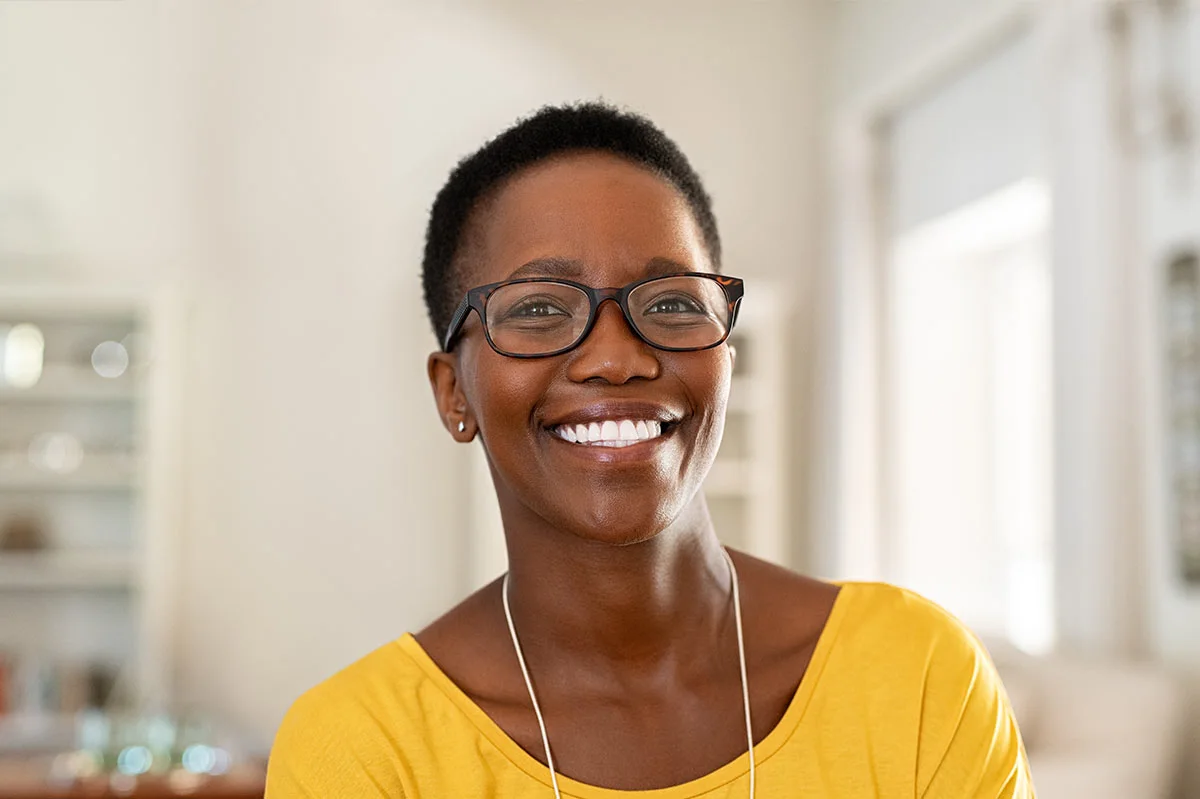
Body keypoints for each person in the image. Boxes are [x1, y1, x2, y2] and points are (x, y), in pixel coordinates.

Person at [265, 102, 1035, 798]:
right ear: (453, 392)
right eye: (538, 307)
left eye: (671, 303)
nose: (616, 358)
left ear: (725, 355)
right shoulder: (364, 751)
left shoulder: (917, 675)